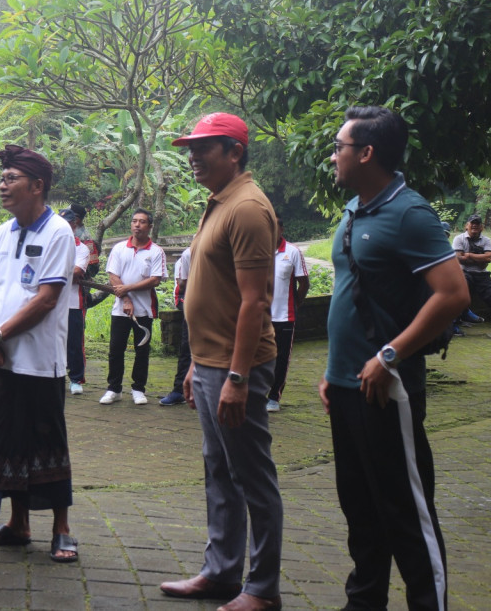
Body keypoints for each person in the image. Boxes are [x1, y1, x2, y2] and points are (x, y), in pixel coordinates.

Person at [319, 106, 468, 610]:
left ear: (366, 153)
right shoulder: (355, 209)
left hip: (388, 388)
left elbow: (453, 294)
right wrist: (331, 373)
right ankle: (364, 603)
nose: (333, 156)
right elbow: (350, 295)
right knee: (360, 508)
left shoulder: (410, 212)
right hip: (346, 386)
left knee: (406, 511)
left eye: (339, 147)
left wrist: (390, 355)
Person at [159, 112, 283, 610]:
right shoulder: (220, 202)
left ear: (234, 152)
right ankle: (221, 573)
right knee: (219, 471)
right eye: (190, 147)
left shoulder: (249, 208)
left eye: (204, 146)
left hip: (239, 368)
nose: (192, 156)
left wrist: (236, 374)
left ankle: (263, 589)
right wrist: (195, 363)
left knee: (252, 476)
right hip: (211, 363)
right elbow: (216, 294)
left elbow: (255, 302)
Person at [0, 144, 78, 562]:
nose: (2, 185)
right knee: (4, 441)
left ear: (37, 186)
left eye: (11, 178)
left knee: (47, 443)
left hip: (39, 361)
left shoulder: (59, 233)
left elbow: (48, 298)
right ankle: (18, 524)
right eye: (1, 179)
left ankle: (62, 528)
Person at [99, 208, 167, 405]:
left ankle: (138, 389)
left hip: (145, 309)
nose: (137, 225)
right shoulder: (120, 248)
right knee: (115, 349)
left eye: (142, 222)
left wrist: (127, 288)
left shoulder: (156, 251)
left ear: (150, 226)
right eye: (134, 221)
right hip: (120, 309)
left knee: (142, 350)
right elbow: (113, 275)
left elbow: (155, 280)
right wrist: (126, 298)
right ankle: (114, 389)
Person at [266, 218, 310, 412]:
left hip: (285, 315)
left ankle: (274, 396)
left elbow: (304, 283)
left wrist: (295, 304)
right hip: (261, 317)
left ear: (281, 229)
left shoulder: (292, 252)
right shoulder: (257, 251)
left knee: (281, 358)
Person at [60, 207, 90, 394]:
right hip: (50, 302)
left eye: (67, 223)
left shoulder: (82, 248)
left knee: (74, 342)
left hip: (73, 302)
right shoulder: (50, 245)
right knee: (52, 341)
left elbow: (78, 271)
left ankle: (76, 378)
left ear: (74, 224)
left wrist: (54, 273)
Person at [160, 246, 191, 407]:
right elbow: (182, 286)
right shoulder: (188, 255)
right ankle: (179, 390)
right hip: (192, 304)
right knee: (187, 348)